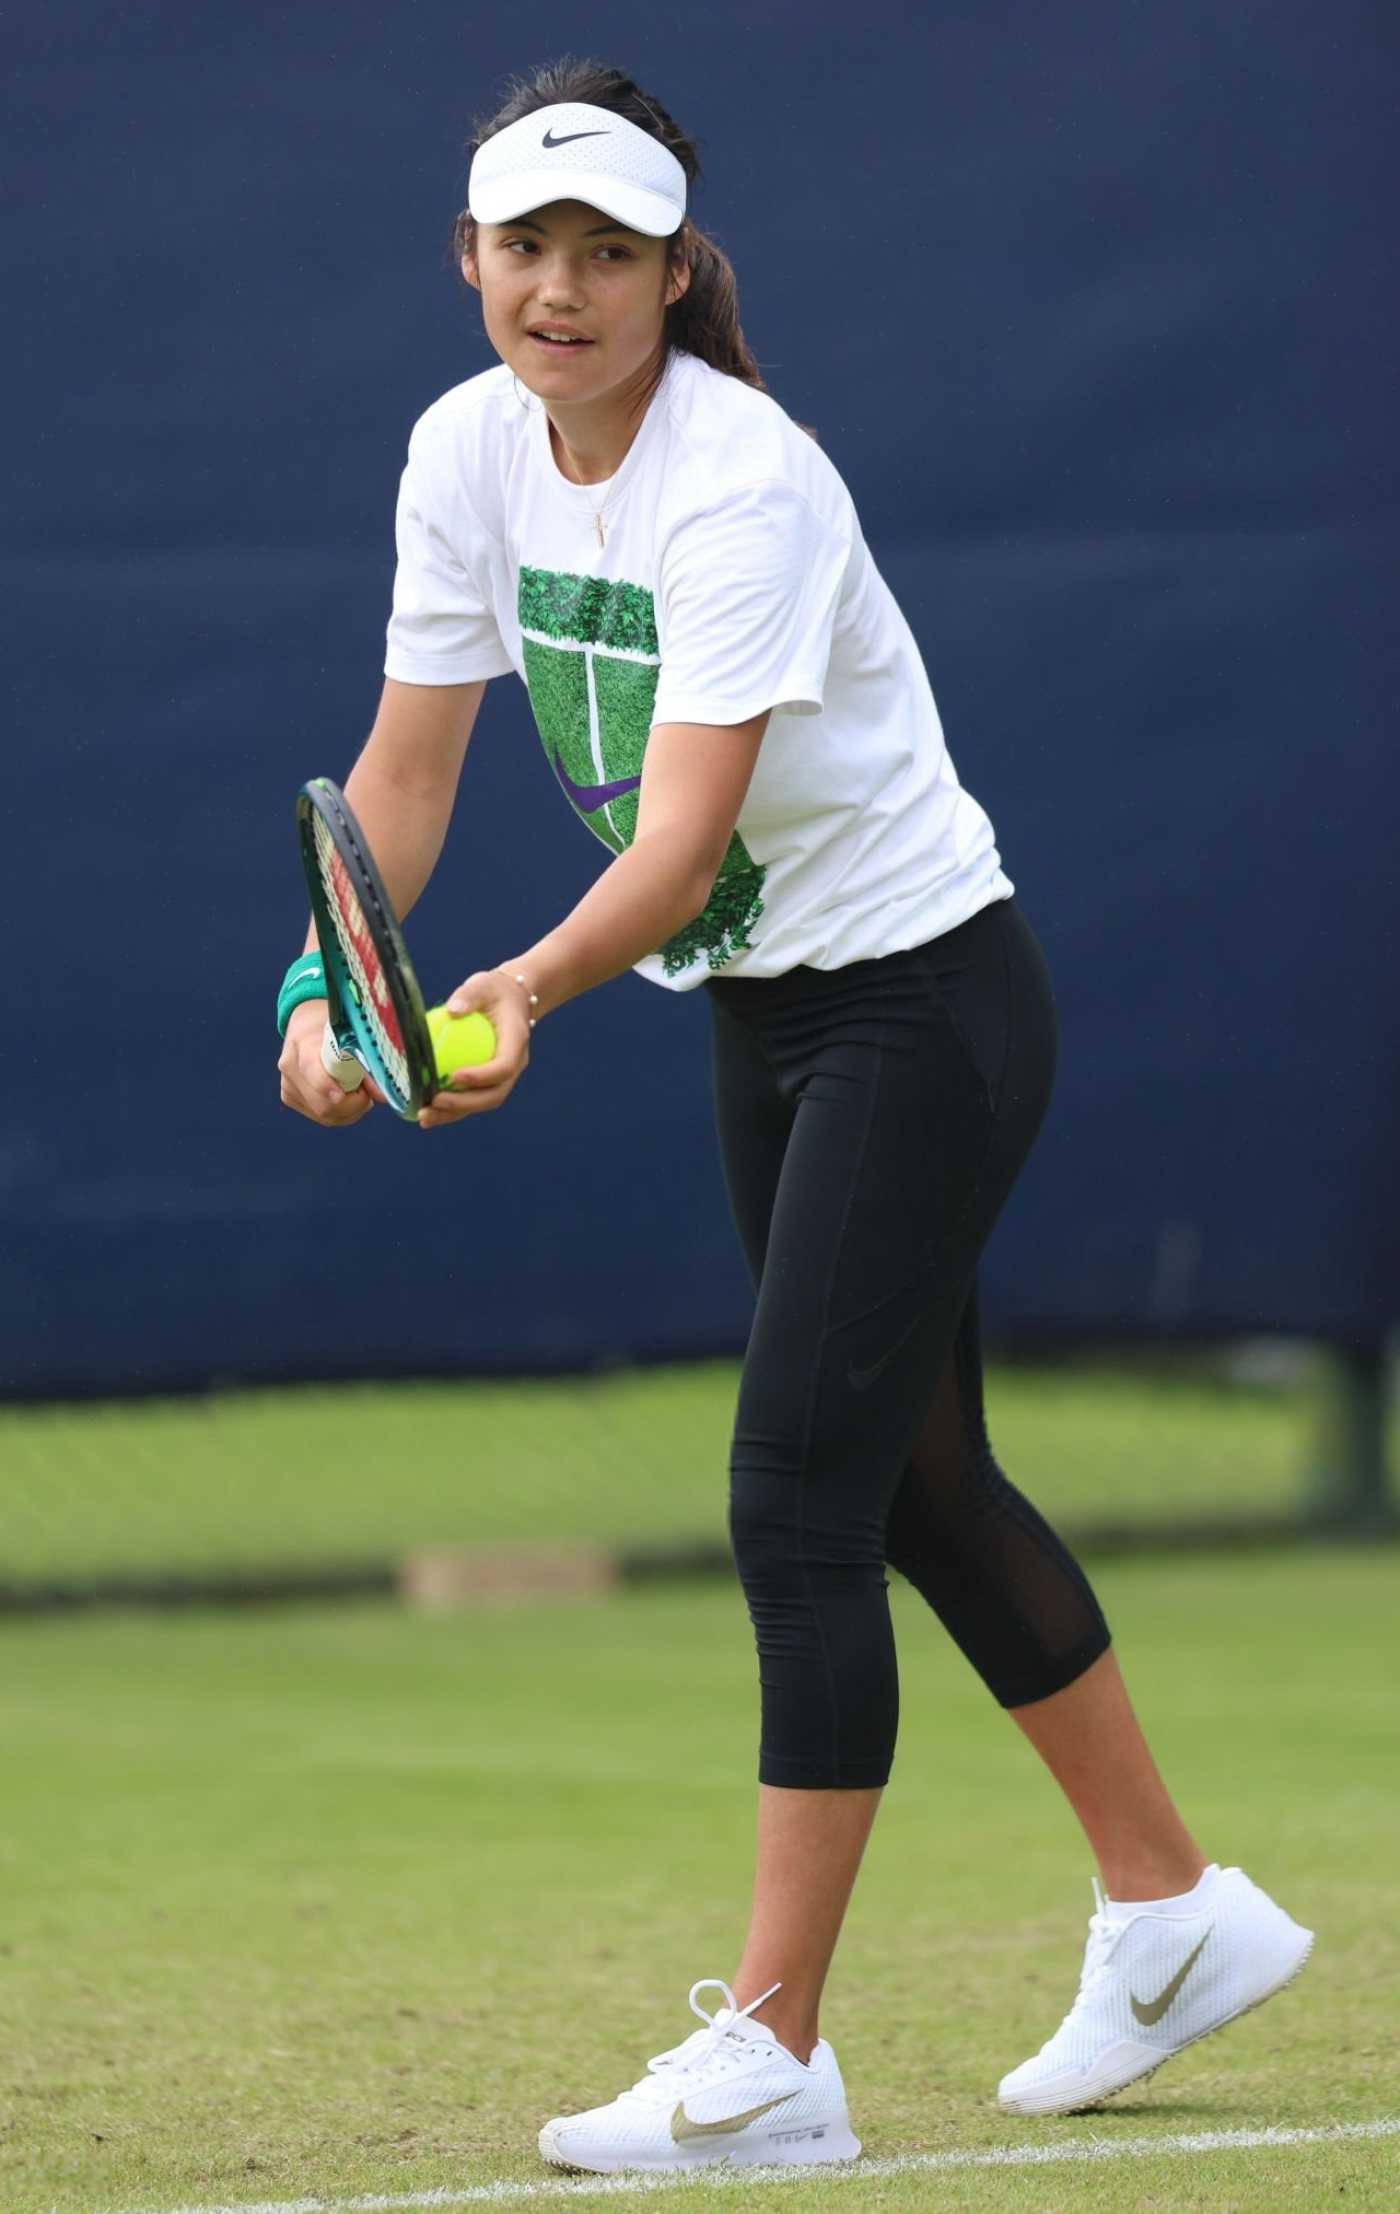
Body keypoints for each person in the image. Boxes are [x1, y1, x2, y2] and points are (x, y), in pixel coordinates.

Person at [275, 57, 1314, 2179]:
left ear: (673, 271)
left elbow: (675, 840)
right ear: (467, 261)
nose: (560, 287)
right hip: (772, 1011)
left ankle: (773, 2060)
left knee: (794, 1503)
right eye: (524, 245)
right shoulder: (463, 453)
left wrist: (509, 993)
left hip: (922, 1006)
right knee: (916, 1486)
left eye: (605, 250)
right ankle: (1168, 1908)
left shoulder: (742, 481)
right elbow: (400, 771)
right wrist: (323, 980)